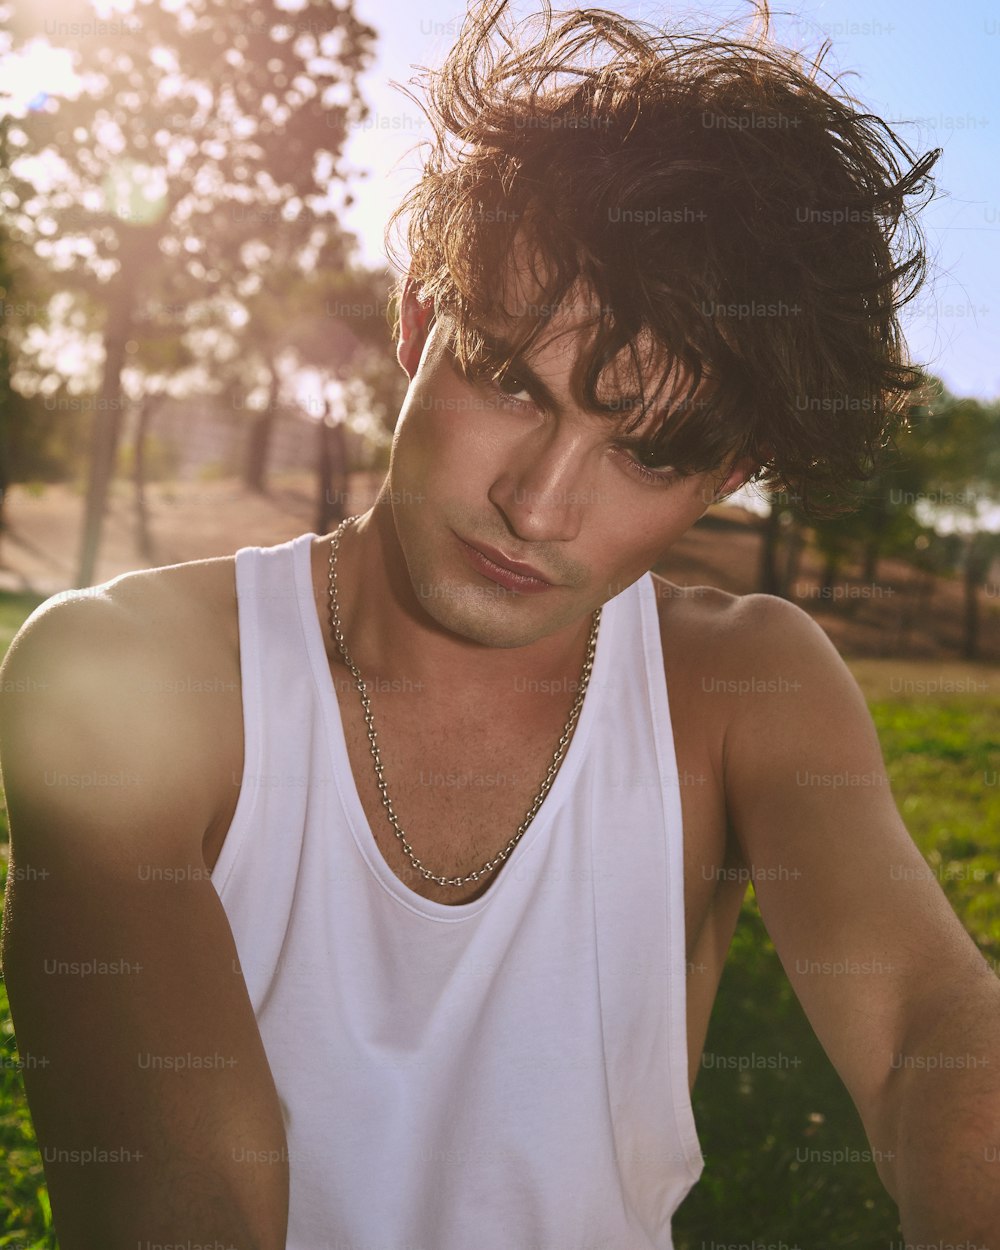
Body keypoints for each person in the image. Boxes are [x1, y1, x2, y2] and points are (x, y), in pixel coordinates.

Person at [2, 1, 999, 1247]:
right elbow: (181, 1195)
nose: (538, 504)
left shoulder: (748, 685)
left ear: (728, 475)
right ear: (419, 320)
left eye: (644, 452)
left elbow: (923, 1030)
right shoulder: (120, 673)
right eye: (513, 380)